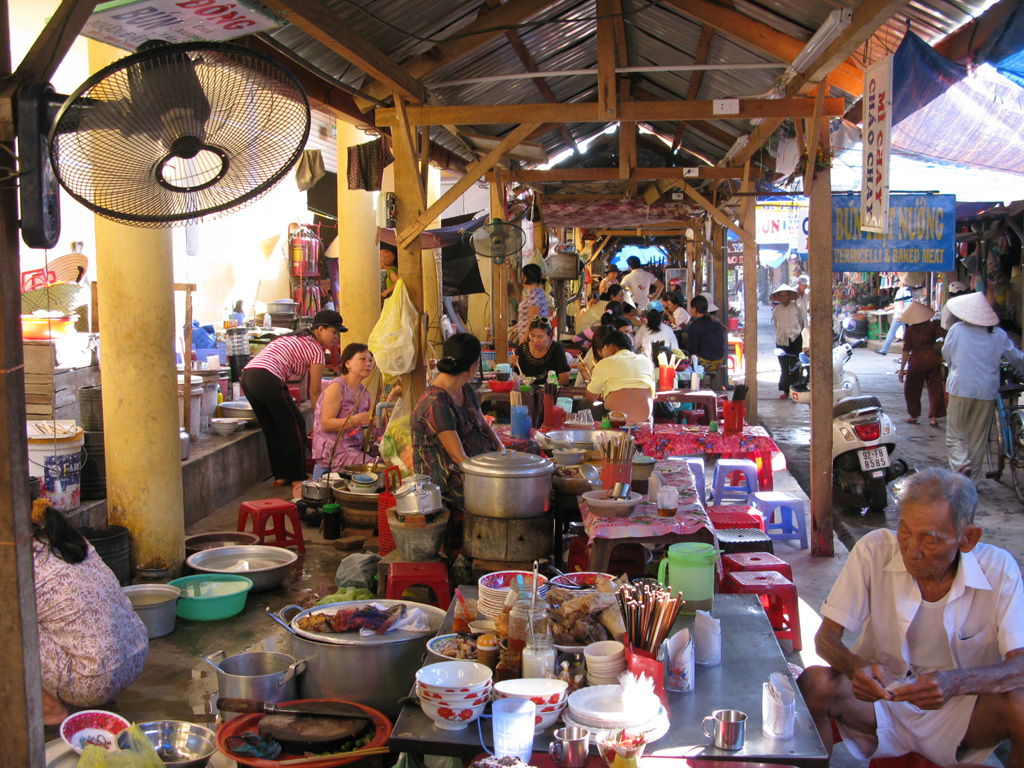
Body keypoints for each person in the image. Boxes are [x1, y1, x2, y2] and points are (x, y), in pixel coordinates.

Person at [797, 468, 1024, 767]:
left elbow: (1019, 665)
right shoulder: (874, 550)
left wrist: (956, 682)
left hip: (963, 710)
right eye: (905, 531)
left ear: (967, 538)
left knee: (1021, 705)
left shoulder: (998, 569)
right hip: (883, 703)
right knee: (816, 683)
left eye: (929, 539)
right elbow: (825, 639)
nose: (911, 550)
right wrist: (854, 667)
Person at [31, 497, 148, 725]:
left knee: (10, 623)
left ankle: (50, 709)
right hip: (136, 653)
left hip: (93, 681)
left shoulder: (19, 560)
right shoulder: (68, 539)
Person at [241, 309, 345, 495]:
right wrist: (320, 419)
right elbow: (314, 391)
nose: (336, 338)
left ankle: (281, 475)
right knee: (296, 423)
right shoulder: (316, 350)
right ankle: (297, 476)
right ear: (320, 329)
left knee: (273, 427)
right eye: (334, 332)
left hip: (248, 376)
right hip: (267, 376)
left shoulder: (296, 338)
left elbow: (307, 386)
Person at [412, 333, 504, 512]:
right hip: (448, 481)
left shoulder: (466, 390)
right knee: (505, 494)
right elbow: (459, 458)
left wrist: (501, 449)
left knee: (530, 451)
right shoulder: (436, 402)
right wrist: (497, 476)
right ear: (473, 366)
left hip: (475, 465)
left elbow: (484, 425)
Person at [942, 292, 1024, 481]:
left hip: (960, 386)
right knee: (978, 437)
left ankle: (962, 465)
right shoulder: (998, 334)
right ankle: (973, 482)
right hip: (986, 390)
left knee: (955, 434)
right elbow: (1016, 358)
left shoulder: (957, 330)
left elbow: (947, 355)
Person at [311, 343, 377, 478]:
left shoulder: (364, 392)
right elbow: (326, 424)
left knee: (387, 457)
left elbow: (374, 419)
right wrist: (356, 419)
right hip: (333, 452)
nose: (368, 363)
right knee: (375, 467)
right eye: (362, 359)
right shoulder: (336, 387)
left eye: (370, 360)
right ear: (348, 364)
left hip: (354, 448)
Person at [584, 329, 656, 424]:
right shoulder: (646, 361)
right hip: (645, 418)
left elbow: (590, 397)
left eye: (603, 349)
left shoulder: (605, 363)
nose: (602, 353)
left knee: (583, 404)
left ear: (611, 347)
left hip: (614, 419)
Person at [897, 301, 945, 427]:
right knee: (935, 390)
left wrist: (902, 369)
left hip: (916, 363)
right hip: (933, 360)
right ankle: (934, 417)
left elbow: (906, 350)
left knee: (912, 390)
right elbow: (942, 339)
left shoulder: (910, 331)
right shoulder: (934, 326)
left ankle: (914, 415)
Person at [510, 316, 571, 385]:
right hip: (526, 392)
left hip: (550, 392)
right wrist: (511, 365)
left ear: (550, 336)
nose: (535, 340)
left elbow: (564, 381)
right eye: (532, 336)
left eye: (540, 337)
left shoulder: (557, 349)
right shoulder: (521, 349)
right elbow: (514, 379)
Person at [686, 294, 728, 390]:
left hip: (706, 362)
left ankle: (693, 388)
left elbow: (693, 349)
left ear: (694, 309)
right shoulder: (716, 322)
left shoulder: (695, 326)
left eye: (691, 308)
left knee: (688, 360)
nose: (690, 310)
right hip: (719, 360)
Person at [771, 284, 805, 399]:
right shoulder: (777, 310)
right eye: (782, 296)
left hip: (795, 339)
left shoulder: (797, 308)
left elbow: (801, 322)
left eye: (787, 296)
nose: (784, 298)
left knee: (795, 365)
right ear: (779, 298)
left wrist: (795, 333)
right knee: (784, 366)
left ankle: (794, 389)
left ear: (791, 297)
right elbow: (776, 325)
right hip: (781, 340)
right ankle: (785, 390)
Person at [515, 263, 552, 343]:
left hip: (531, 339)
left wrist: (526, 336)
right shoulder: (535, 293)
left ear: (527, 276)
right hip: (532, 337)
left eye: (523, 275)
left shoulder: (535, 294)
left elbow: (533, 317)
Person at [878, 277, 914, 355]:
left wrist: (900, 315)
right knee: (908, 333)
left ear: (902, 283)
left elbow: (900, 303)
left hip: (900, 315)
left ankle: (884, 350)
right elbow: (900, 303)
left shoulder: (901, 291)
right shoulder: (909, 291)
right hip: (907, 315)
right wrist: (889, 308)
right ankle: (910, 350)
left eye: (899, 281)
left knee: (891, 332)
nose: (898, 283)